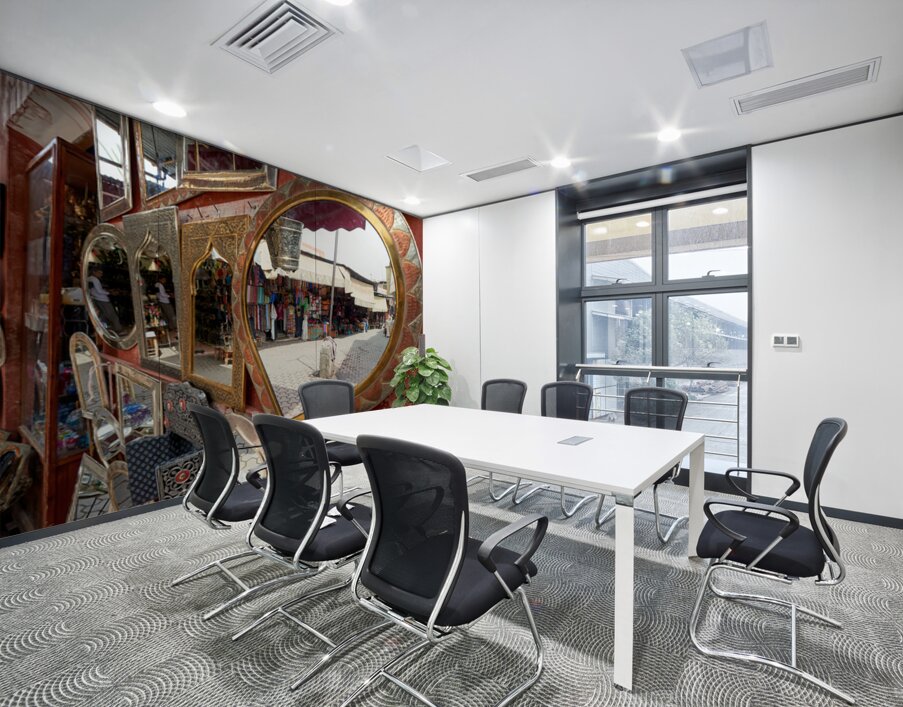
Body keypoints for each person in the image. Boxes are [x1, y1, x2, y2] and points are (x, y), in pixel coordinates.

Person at [86, 266, 123, 333]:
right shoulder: (95, 279)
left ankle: (104, 329)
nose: (101, 274)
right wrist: (110, 292)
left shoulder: (88, 279)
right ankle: (118, 329)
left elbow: (93, 290)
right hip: (103, 299)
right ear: (94, 272)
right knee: (112, 315)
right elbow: (99, 291)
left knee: (103, 315)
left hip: (96, 298)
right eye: (99, 272)